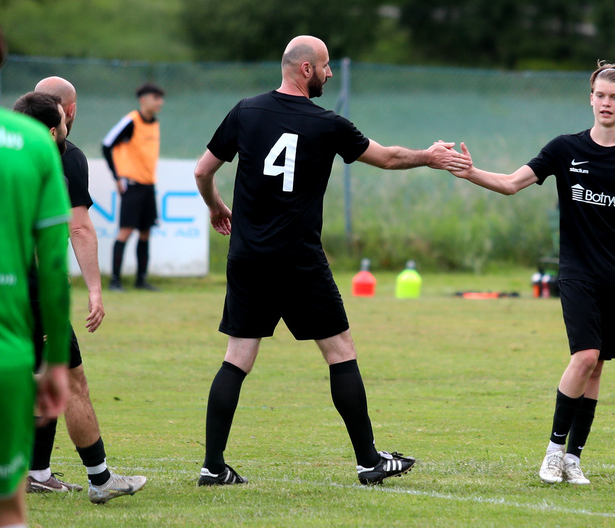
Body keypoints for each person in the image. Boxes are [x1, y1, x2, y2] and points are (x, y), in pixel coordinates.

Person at [193, 35, 470, 486]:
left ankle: (212, 465)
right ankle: (368, 461)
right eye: (325, 66)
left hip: (248, 256)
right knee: (340, 351)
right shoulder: (327, 123)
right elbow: (388, 157)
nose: (329, 73)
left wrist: (216, 206)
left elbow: (203, 171)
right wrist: (430, 157)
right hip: (298, 259)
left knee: (237, 357)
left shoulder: (245, 111)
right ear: (305, 69)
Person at [448, 61, 615, 485]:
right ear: (591, 97)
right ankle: (553, 452)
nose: (606, 103)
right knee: (584, 356)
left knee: (599, 365)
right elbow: (510, 183)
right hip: (577, 272)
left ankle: (574, 458)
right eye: (600, 95)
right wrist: (470, 172)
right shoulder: (565, 149)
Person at [0, 6, 71, 528]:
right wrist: (54, 362)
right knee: (4, 512)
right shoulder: (32, 143)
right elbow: (53, 267)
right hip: (1, 353)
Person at [22, 78, 148, 504]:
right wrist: (96, 290)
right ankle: (101, 479)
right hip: (32, 287)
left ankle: (36, 471)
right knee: (72, 381)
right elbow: (78, 226)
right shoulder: (65, 156)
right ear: (65, 116)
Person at [101, 83, 165, 291]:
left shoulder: (154, 123)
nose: (160, 102)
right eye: (156, 97)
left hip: (148, 185)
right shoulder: (131, 121)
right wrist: (117, 176)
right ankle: (115, 281)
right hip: (132, 186)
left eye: (161, 98)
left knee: (145, 232)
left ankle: (141, 280)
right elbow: (107, 144)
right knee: (125, 231)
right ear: (143, 99)